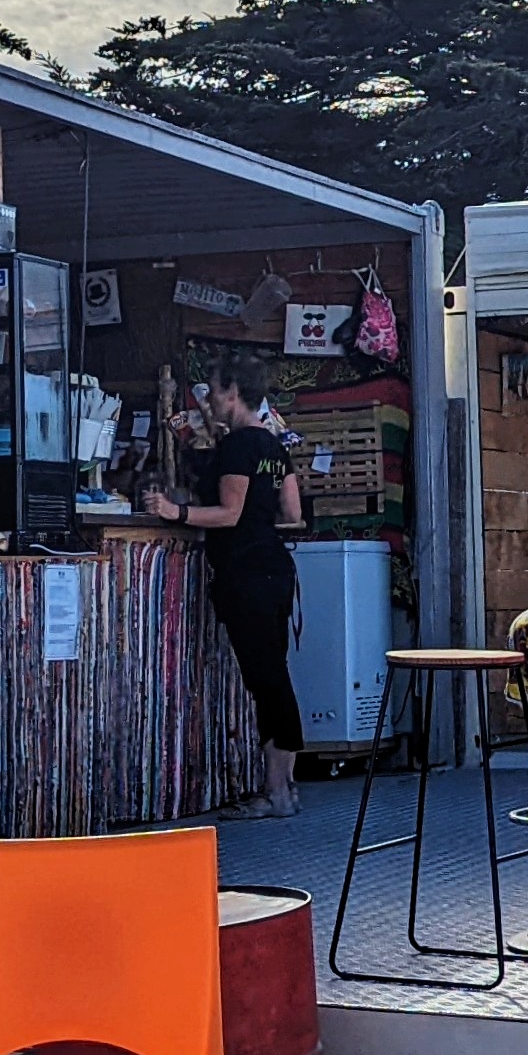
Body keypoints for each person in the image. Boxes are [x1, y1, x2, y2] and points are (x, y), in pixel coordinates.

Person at [145, 347, 308, 816]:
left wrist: (175, 511)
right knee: (274, 675)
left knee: (266, 679)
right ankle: (286, 786)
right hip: (275, 568)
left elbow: (230, 513)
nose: (210, 401)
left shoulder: (238, 447)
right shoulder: (275, 446)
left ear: (233, 392)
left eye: (215, 392)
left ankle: (276, 793)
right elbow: (292, 514)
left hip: (246, 573)